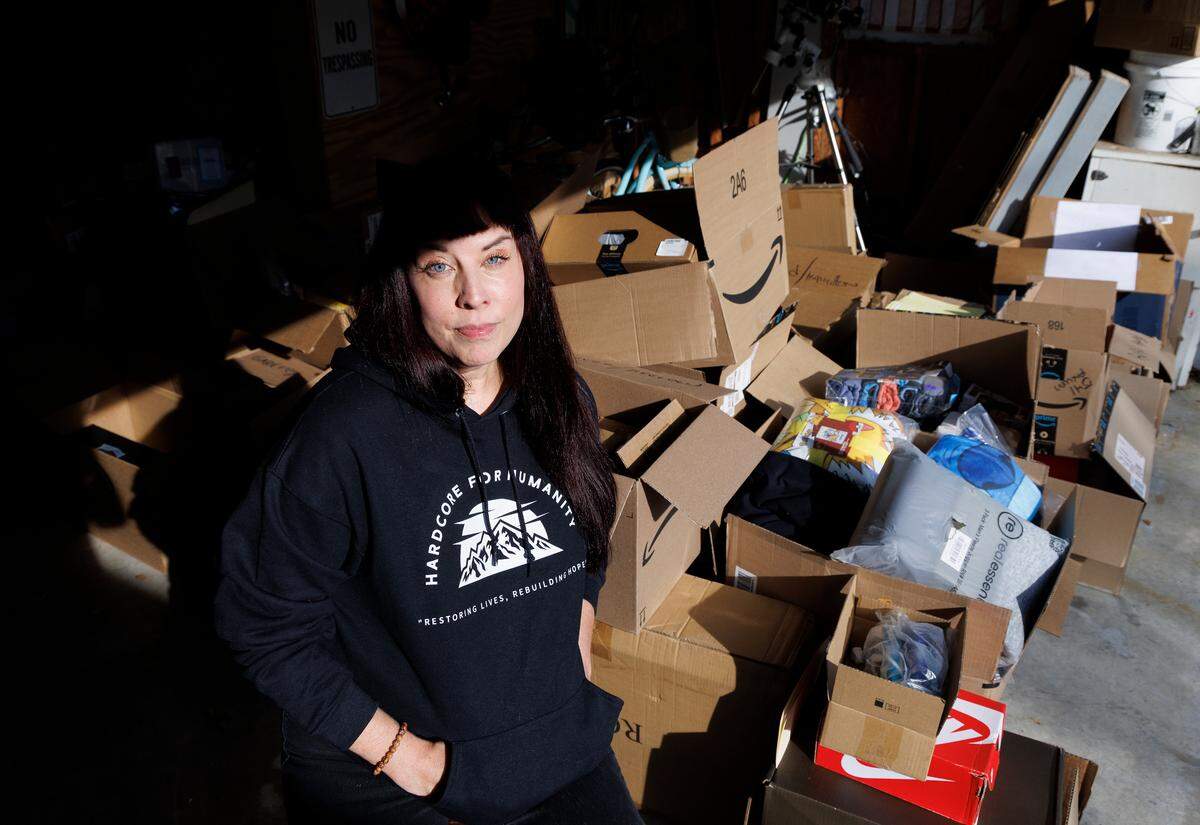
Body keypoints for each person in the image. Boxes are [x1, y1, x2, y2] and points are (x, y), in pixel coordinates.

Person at [214, 159, 642, 825]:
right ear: (403, 282)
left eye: (494, 258)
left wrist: (577, 640)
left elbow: (587, 532)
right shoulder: (344, 433)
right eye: (440, 266)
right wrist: (410, 759)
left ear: (526, 266)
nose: (476, 295)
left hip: (554, 740)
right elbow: (262, 625)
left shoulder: (561, 398)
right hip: (402, 774)